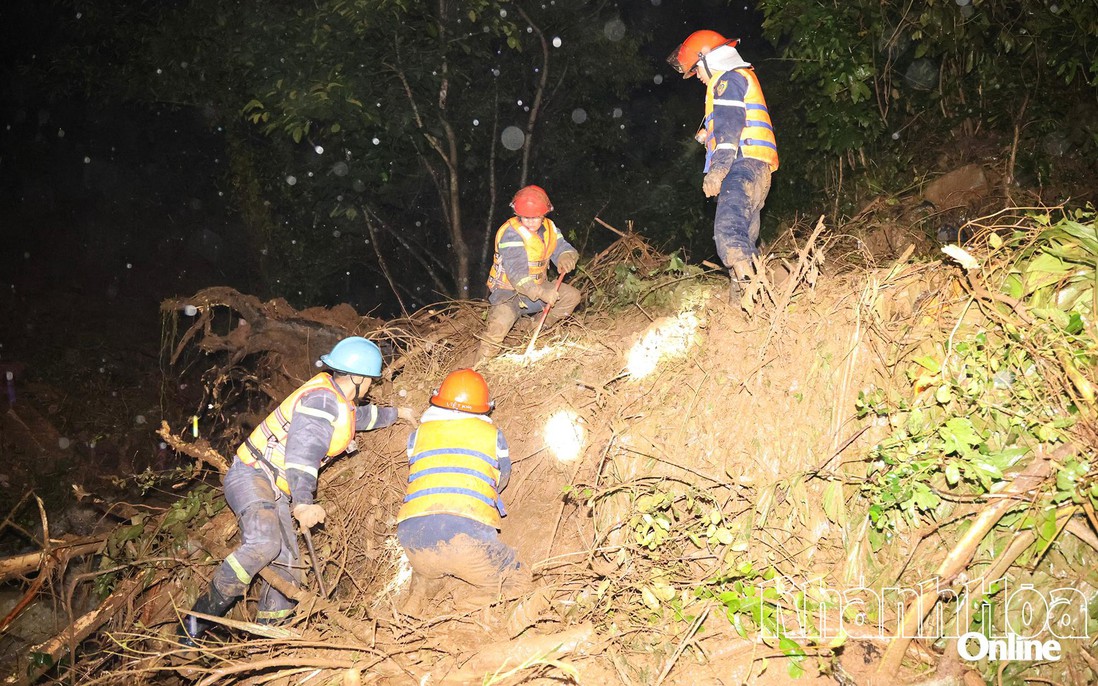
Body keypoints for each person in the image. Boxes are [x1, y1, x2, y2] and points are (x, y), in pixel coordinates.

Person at [179, 336, 413, 645]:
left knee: (288, 570)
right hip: (252, 475)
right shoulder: (322, 401)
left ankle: (267, 647)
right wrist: (303, 503)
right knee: (263, 544)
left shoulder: (338, 401)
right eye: (369, 380)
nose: (370, 386)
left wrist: (400, 414)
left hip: (274, 487)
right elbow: (302, 454)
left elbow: (363, 418)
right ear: (356, 378)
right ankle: (195, 624)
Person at [395, 368, 531, 612]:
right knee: (519, 578)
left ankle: (414, 603)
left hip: (412, 536)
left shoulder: (417, 435)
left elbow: (417, 472)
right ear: (485, 406)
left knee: (429, 566)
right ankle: (474, 605)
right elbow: (502, 476)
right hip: (466, 535)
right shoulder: (493, 436)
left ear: (438, 398)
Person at [668, 30, 779, 295]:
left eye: (696, 70)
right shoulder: (739, 78)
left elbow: (730, 128)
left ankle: (755, 294)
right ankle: (744, 305)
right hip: (759, 167)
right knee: (745, 238)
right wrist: (709, 135)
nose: (698, 77)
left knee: (728, 233)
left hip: (741, 166)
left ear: (707, 59)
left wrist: (717, 171)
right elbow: (735, 120)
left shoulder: (727, 80)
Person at [475, 185, 581, 363]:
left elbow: (563, 248)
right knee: (498, 325)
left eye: (536, 217)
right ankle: (480, 366)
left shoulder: (550, 228)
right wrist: (542, 294)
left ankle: (535, 328)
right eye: (526, 217)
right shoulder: (511, 234)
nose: (531, 222)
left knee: (571, 297)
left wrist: (566, 256)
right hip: (509, 292)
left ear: (544, 214)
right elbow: (518, 275)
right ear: (518, 214)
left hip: (539, 286)